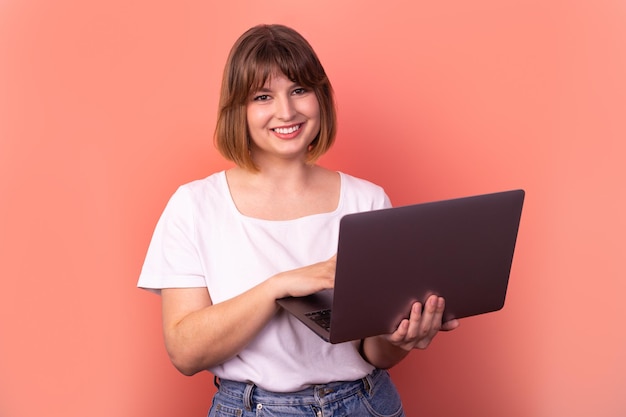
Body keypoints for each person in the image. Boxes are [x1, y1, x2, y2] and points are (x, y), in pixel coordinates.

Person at [138, 23, 459, 417]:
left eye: (299, 90)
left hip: (363, 403)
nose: (286, 111)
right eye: (262, 96)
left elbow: (374, 351)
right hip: (251, 409)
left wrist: (402, 338)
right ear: (237, 109)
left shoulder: (367, 200)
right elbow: (185, 353)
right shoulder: (195, 206)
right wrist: (280, 287)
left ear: (320, 97)